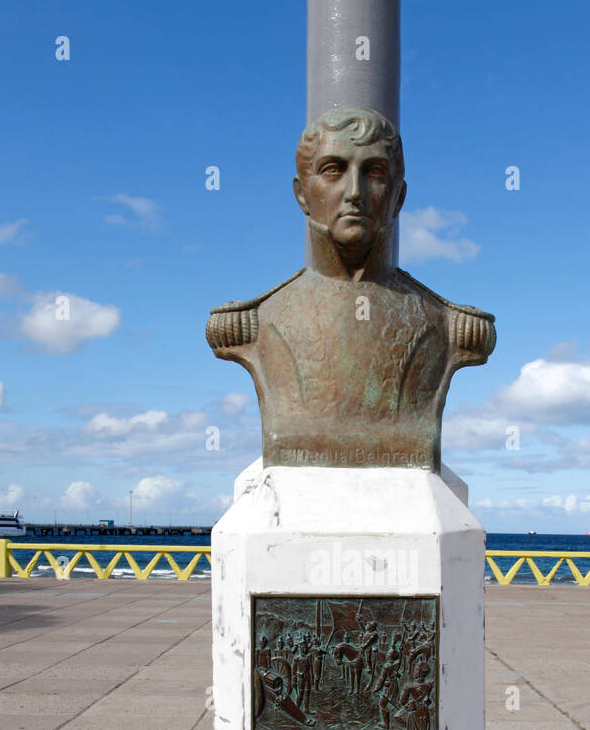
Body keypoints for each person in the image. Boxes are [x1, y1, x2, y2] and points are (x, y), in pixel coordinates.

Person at [206, 108, 496, 470]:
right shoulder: (255, 322)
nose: (354, 192)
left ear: (399, 197)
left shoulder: (450, 326)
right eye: (333, 170)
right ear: (301, 193)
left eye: (374, 173)